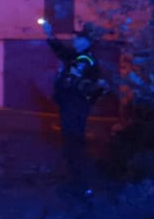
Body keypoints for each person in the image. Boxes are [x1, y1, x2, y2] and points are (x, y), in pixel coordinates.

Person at [41, 18, 107, 193]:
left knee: (73, 140)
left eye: (78, 39)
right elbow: (62, 52)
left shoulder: (84, 60)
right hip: (72, 103)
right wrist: (49, 34)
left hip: (75, 104)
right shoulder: (79, 56)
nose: (74, 41)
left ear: (87, 42)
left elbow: (73, 79)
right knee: (72, 139)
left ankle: (77, 181)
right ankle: (75, 177)